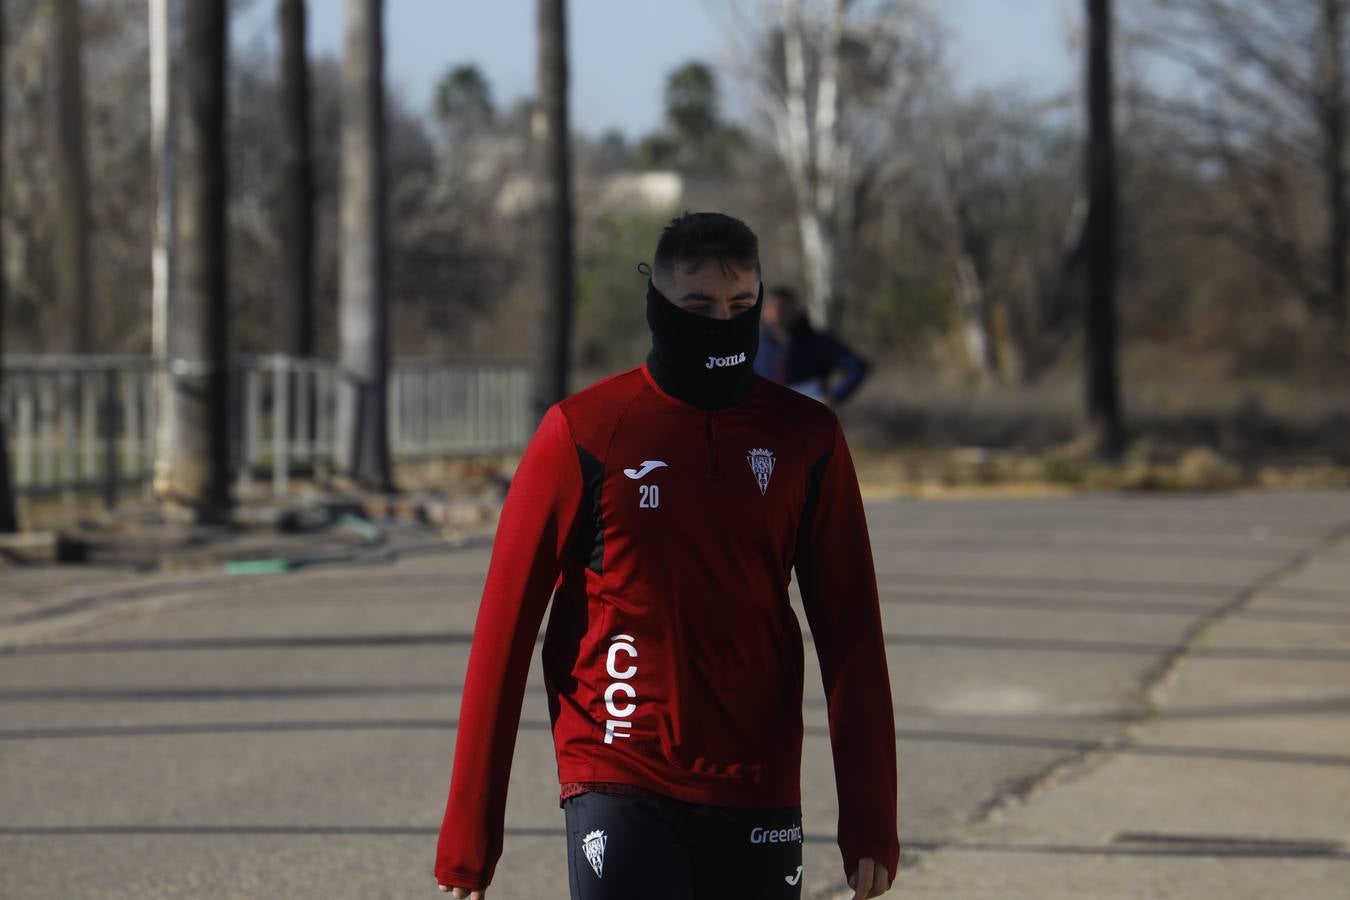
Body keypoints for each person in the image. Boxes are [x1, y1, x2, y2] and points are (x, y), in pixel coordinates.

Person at [433, 212, 898, 900]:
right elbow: (503, 631)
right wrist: (470, 836)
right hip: (619, 764)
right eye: (699, 305)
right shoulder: (583, 431)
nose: (721, 322)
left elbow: (851, 631)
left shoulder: (807, 437)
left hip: (757, 776)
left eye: (740, 306)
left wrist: (870, 821)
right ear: (658, 304)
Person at [755, 286, 870, 407]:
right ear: (763, 312)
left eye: (784, 308)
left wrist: (834, 397)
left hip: (807, 415)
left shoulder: (817, 341)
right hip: (767, 417)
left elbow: (857, 367)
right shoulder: (755, 345)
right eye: (772, 307)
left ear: (796, 309)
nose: (778, 313)